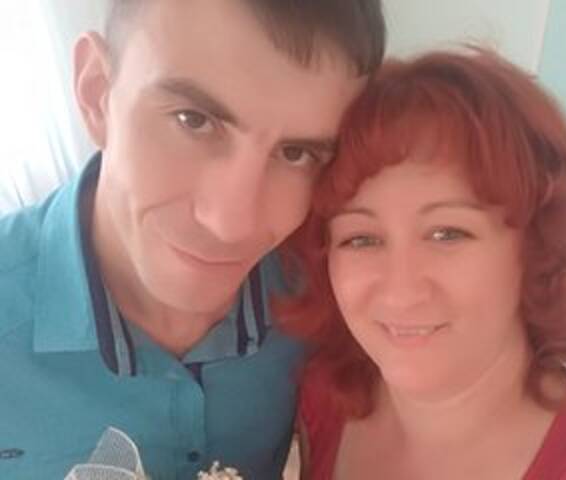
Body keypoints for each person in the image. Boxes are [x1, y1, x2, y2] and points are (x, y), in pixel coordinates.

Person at [0, 1, 385, 479]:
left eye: (296, 153)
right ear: (97, 92)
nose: (231, 225)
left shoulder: (325, 299)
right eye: (193, 120)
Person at [279, 48, 566, 479]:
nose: (401, 290)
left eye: (447, 233)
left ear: (537, 248)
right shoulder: (321, 397)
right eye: (361, 239)